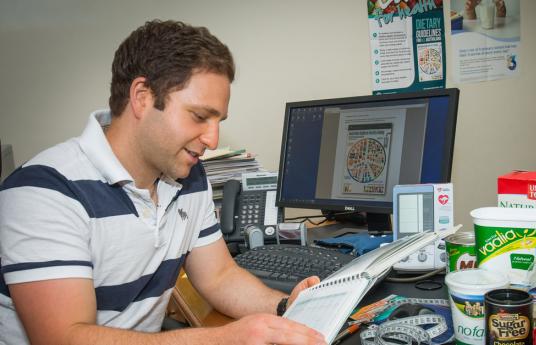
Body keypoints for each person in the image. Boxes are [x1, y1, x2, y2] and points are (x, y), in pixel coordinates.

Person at [0, 20, 326, 345]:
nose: (212, 140)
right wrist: (222, 339)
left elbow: (219, 277)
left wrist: (284, 307)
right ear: (142, 97)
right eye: (200, 117)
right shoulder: (42, 190)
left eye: (218, 122)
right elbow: (64, 337)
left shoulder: (188, 175)